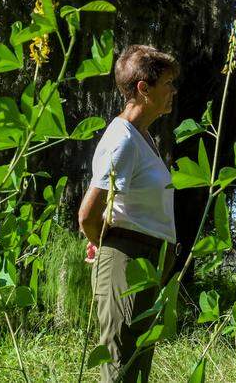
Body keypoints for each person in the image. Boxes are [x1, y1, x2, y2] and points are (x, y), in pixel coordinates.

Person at [78, 44, 179, 383]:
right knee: (121, 362)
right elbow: (88, 215)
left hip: (146, 259)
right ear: (143, 88)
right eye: (167, 84)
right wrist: (103, 245)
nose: (173, 92)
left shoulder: (143, 137)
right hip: (126, 257)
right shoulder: (122, 139)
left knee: (137, 362)